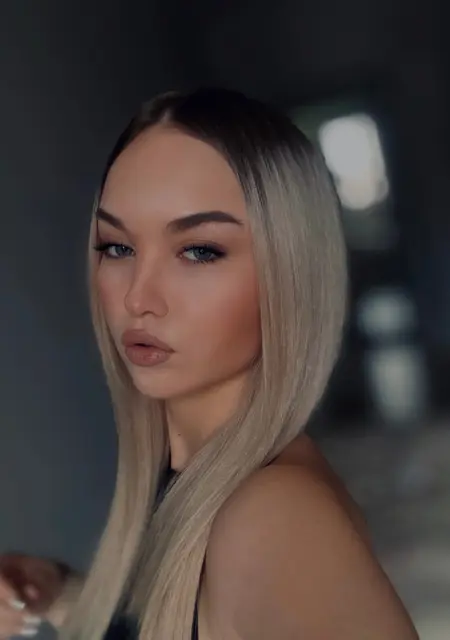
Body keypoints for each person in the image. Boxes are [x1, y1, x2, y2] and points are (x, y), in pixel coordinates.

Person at [0, 88, 419, 640]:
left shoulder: (275, 517)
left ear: (289, 273)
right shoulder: (196, 484)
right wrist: (59, 593)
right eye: (117, 247)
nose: (138, 297)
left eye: (199, 251)